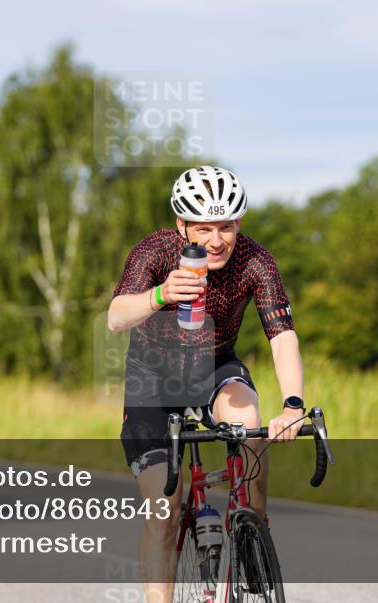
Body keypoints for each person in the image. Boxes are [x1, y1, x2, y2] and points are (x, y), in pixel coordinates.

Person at [107, 165, 305, 603]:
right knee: (165, 512)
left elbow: (282, 333)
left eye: (227, 226)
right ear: (182, 225)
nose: (217, 240)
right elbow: (116, 316)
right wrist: (159, 295)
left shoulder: (255, 259)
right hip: (152, 382)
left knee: (248, 418)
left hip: (215, 366)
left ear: (239, 224)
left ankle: (253, 527)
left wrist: (293, 405)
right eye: (205, 228)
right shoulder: (155, 252)